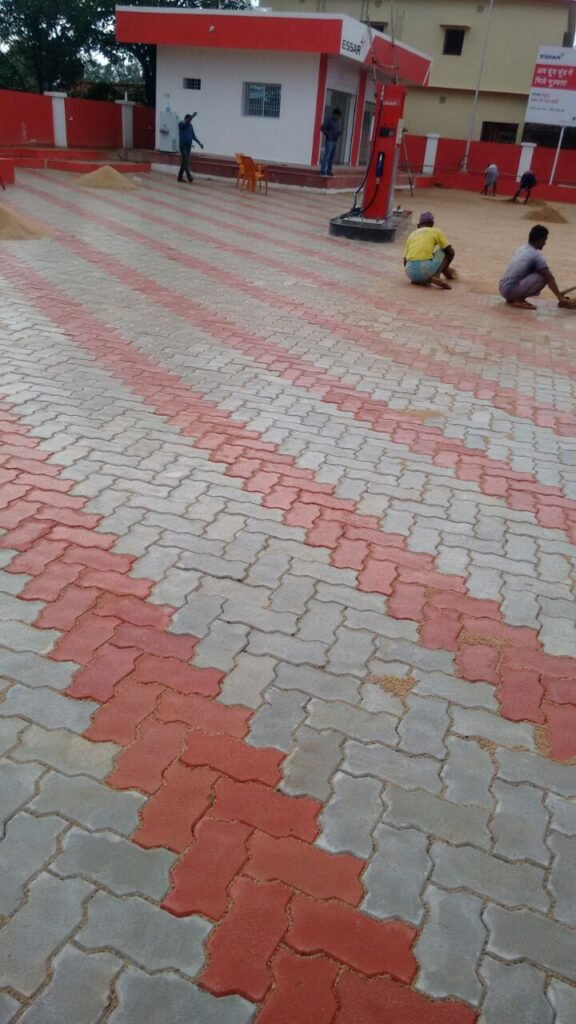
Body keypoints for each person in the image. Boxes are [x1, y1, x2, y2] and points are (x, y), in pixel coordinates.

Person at [499, 224, 574, 310]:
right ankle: (519, 300)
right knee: (543, 276)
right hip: (510, 291)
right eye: (545, 240)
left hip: (503, 288)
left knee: (538, 271)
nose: (545, 243)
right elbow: (550, 278)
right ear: (540, 240)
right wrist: (560, 298)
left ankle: (513, 297)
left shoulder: (522, 248)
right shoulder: (536, 256)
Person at [403, 211, 455, 289]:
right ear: (432, 224)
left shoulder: (411, 235)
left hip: (410, 273)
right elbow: (450, 252)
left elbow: (405, 260)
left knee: (428, 255)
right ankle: (437, 275)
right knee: (444, 250)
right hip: (425, 269)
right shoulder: (435, 231)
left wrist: (413, 274)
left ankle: (419, 279)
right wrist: (445, 268)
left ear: (418, 225)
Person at [177, 113, 204, 184]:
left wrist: (199, 143)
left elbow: (193, 136)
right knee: (185, 161)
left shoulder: (191, 126)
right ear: (185, 119)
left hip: (188, 146)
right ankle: (189, 177)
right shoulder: (181, 124)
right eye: (189, 119)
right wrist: (193, 116)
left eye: (191, 120)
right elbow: (186, 122)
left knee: (184, 162)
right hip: (182, 146)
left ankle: (179, 178)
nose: (190, 121)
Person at [320, 108, 342, 177]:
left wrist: (338, 133)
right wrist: (328, 134)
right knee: (327, 156)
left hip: (335, 141)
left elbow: (336, 130)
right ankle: (322, 171)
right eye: (338, 116)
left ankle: (329, 171)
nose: (338, 118)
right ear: (335, 114)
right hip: (329, 141)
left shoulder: (337, 122)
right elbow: (322, 128)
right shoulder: (328, 119)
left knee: (332, 157)